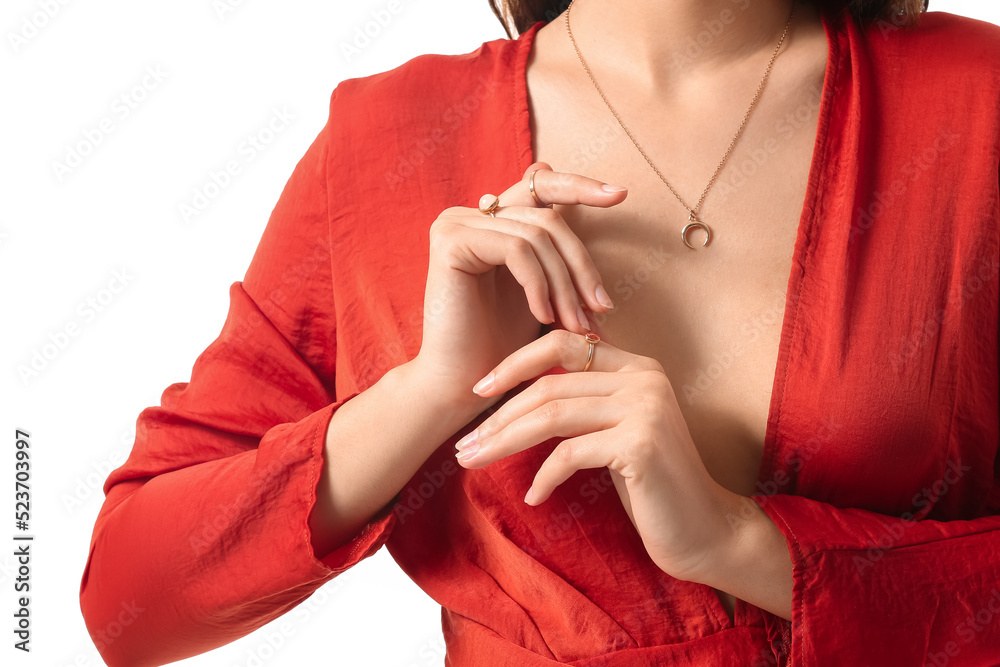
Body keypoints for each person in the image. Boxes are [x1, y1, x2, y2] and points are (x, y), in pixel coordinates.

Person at [79, 0, 1000, 664]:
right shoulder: (385, 140)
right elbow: (129, 598)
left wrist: (742, 545)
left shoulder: (978, 109)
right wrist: (430, 388)